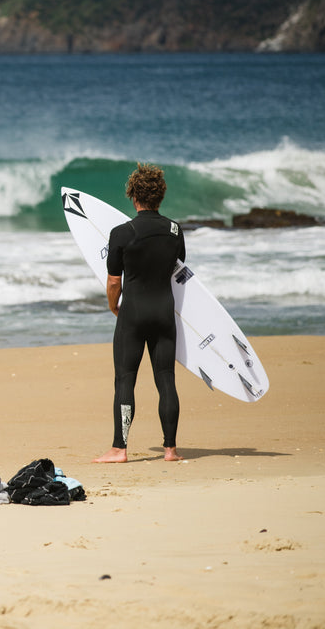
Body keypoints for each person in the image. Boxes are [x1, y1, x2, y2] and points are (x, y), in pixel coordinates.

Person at [94, 164, 186, 463]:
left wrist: (113, 305)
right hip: (163, 312)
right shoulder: (174, 230)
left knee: (125, 380)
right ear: (160, 196)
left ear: (133, 196)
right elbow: (179, 268)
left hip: (132, 314)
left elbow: (113, 281)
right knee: (166, 379)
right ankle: (170, 449)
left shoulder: (121, 233)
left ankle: (120, 449)